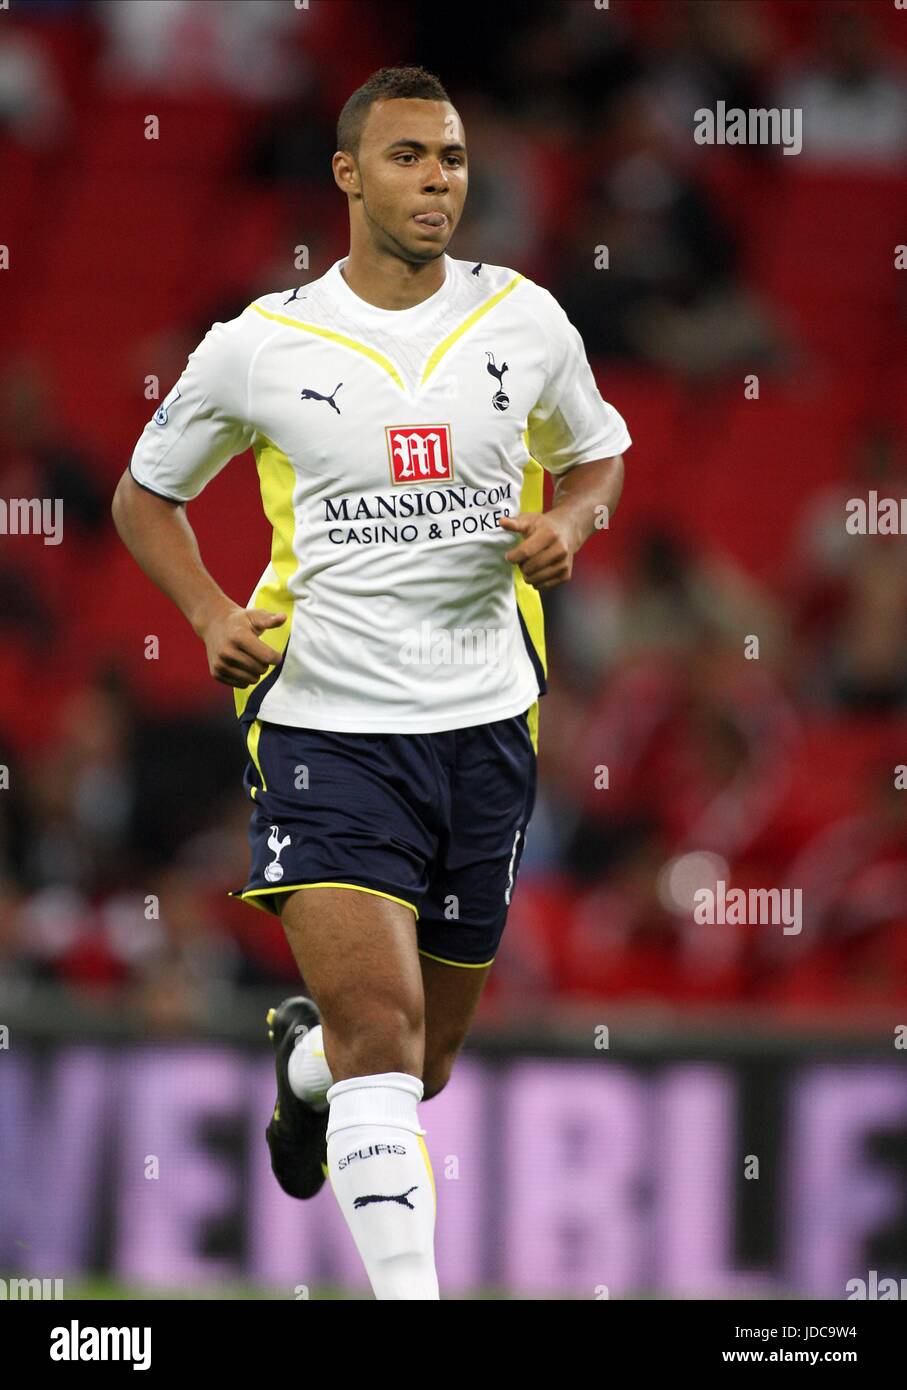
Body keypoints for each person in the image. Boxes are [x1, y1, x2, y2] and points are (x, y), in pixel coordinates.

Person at [112, 65, 630, 1300]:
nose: (437, 180)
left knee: (415, 1059)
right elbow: (145, 496)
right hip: (323, 724)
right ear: (348, 175)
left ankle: (303, 1074)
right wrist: (205, 611)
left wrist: (573, 524)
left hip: (484, 724)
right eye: (407, 158)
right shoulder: (260, 347)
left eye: (450, 157)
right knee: (386, 1037)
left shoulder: (525, 320)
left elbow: (599, 456)